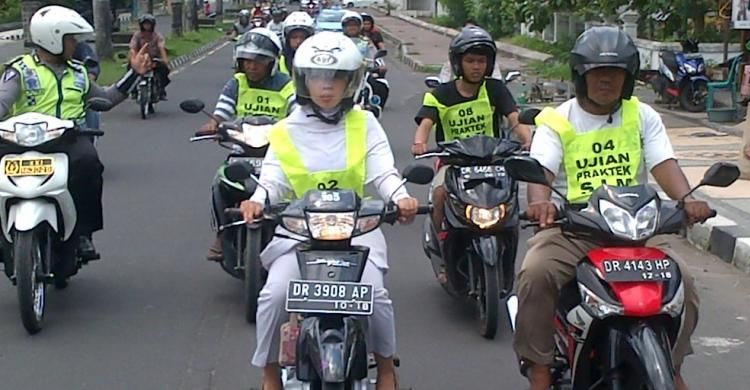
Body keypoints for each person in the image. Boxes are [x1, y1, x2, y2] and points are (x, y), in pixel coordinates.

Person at [513, 26, 708, 390]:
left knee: (685, 283)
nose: (606, 80)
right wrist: (541, 206)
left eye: (615, 73)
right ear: (580, 76)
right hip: (575, 229)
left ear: (629, 77)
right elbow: (540, 171)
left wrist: (688, 199)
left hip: (637, 231)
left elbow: (664, 165)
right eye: (597, 73)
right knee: (536, 274)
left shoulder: (642, 115)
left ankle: (673, 363)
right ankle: (538, 366)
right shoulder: (557, 120)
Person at [239, 31, 418, 390]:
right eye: (318, 77)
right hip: (299, 237)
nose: (326, 86)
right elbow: (272, 177)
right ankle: (269, 371)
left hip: (357, 235)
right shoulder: (286, 129)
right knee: (273, 295)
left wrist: (402, 197)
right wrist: (257, 199)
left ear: (350, 81)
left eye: (335, 77)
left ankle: (385, 368)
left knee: (377, 295)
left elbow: (383, 171)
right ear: (303, 80)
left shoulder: (365, 123)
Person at [0, 5, 151, 259]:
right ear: (52, 38)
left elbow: (106, 98)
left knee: (90, 164)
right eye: (70, 39)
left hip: (67, 140)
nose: (75, 45)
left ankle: (83, 234)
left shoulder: (79, 73)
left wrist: (134, 73)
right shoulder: (20, 70)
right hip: (20, 140)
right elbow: (3, 100)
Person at [412, 26, 531, 271]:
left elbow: (514, 118)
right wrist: (420, 143)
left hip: (493, 161)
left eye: (481, 61)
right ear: (458, 63)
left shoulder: (495, 89)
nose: (476, 66)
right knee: (439, 195)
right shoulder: (440, 94)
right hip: (454, 163)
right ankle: (442, 243)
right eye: (470, 61)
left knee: (511, 200)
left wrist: (527, 139)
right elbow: (426, 123)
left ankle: (508, 247)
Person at [200, 27, 295, 262]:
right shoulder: (237, 83)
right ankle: (222, 234)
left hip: (277, 152)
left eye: (259, 61)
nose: (252, 66)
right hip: (240, 150)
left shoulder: (286, 84)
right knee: (219, 182)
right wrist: (214, 124)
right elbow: (222, 110)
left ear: (271, 62)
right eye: (247, 60)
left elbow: (297, 114)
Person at [129, 14, 170, 100]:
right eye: (145, 24)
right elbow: (133, 48)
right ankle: (133, 90)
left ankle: (161, 90)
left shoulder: (157, 36)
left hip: (154, 59)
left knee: (164, 70)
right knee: (130, 69)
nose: (147, 26)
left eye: (149, 24)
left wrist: (165, 59)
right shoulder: (137, 36)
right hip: (140, 60)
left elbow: (161, 47)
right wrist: (132, 59)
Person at [72, 41, 101, 130]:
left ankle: (90, 137)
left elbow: (92, 66)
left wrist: (89, 78)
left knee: (92, 106)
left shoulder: (80, 47)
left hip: (77, 92)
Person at [278, 11, 315, 76]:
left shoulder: (317, 61)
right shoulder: (278, 59)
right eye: (294, 37)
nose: (298, 41)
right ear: (287, 39)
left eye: (303, 37)